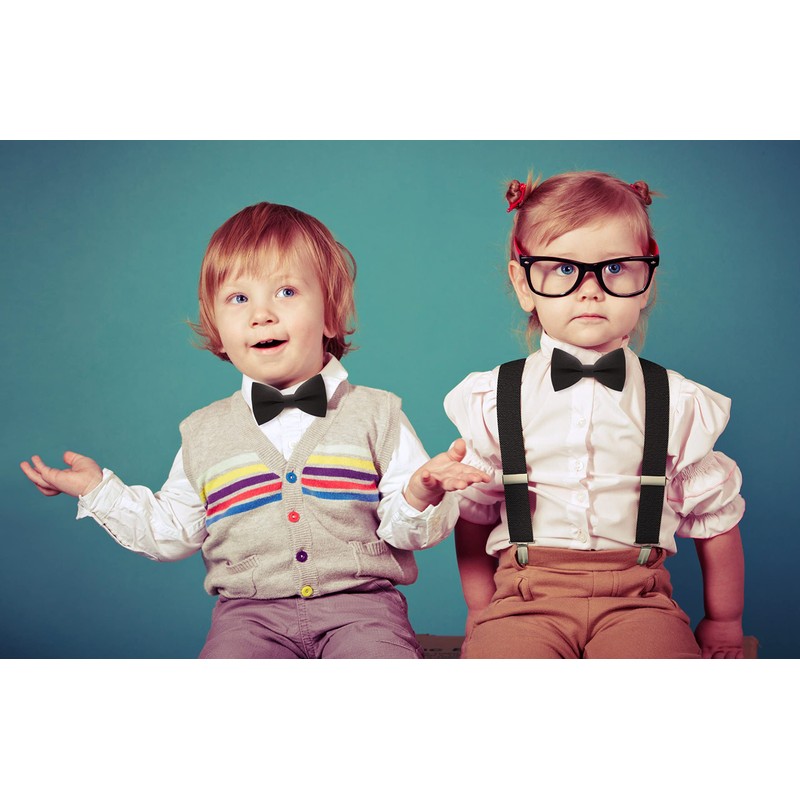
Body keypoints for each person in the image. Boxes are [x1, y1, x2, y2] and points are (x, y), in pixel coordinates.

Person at [21, 201, 489, 659]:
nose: (261, 314)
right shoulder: (203, 432)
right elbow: (171, 531)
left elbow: (410, 534)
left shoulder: (377, 414)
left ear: (329, 315)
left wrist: (420, 491)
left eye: (286, 292)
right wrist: (97, 490)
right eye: (239, 298)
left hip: (362, 612)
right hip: (247, 619)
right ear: (216, 326)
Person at [445, 171, 745, 658]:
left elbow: (717, 519)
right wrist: (480, 609)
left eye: (615, 267)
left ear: (645, 280)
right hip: (523, 597)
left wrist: (725, 621)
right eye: (564, 268)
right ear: (523, 283)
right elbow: (473, 515)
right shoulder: (494, 398)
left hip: (640, 598)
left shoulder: (677, 402)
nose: (590, 290)